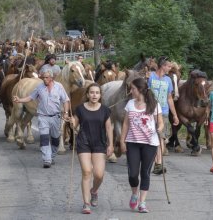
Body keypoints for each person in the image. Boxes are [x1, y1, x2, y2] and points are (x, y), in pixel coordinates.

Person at [120, 77, 164, 213]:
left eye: (132, 88)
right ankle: (134, 194)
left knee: (145, 172)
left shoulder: (154, 104)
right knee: (133, 174)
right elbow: (126, 123)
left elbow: (160, 122)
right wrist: (122, 141)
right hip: (132, 142)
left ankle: (143, 202)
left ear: (139, 90)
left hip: (150, 143)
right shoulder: (130, 104)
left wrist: (160, 128)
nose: (130, 91)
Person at [13, 70, 70, 168]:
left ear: (51, 78)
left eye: (47, 77)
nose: (44, 79)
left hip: (55, 117)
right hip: (43, 117)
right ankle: (46, 160)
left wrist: (65, 113)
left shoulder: (59, 87)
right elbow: (30, 97)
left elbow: (65, 100)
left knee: (55, 139)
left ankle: (52, 156)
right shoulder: (39, 87)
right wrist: (19, 100)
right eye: (43, 77)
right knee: (44, 138)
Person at [71, 83, 113, 214]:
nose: (94, 95)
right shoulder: (80, 109)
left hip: (99, 144)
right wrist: (70, 121)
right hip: (83, 142)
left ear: (100, 95)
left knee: (99, 175)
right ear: (87, 95)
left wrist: (110, 144)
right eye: (92, 92)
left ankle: (94, 191)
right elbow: (74, 126)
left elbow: (108, 128)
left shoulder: (105, 110)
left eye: (97, 93)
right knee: (87, 171)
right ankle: (86, 203)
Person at [148, 56, 179, 174]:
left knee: (161, 138)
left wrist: (175, 115)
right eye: (169, 66)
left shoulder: (168, 80)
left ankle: (158, 164)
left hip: (164, 113)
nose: (170, 68)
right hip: (150, 112)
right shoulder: (150, 77)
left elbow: (169, 98)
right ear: (163, 66)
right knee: (149, 137)